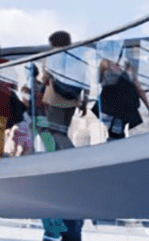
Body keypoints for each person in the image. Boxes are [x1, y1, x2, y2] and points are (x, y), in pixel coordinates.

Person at [41, 31, 85, 241]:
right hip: (72, 100)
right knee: (62, 130)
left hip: (55, 99)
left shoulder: (52, 56)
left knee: (54, 131)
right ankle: (63, 158)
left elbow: (45, 78)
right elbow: (84, 81)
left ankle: (67, 157)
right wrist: (82, 101)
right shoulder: (78, 57)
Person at [94, 57, 149, 140]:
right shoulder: (117, 75)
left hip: (114, 111)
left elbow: (139, 90)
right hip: (118, 111)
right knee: (117, 133)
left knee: (117, 133)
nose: (116, 66)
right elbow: (139, 90)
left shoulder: (117, 75)